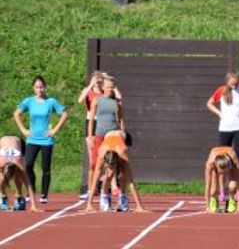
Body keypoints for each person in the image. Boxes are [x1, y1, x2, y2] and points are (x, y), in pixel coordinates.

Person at [13, 75, 69, 203]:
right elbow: (17, 113)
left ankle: (44, 194)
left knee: (45, 167)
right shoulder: (29, 101)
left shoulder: (51, 101)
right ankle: (31, 191)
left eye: (42, 87)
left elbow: (64, 114)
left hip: (46, 140)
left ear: (45, 87)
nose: (39, 89)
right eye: (37, 87)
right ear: (34, 88)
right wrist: (23, 130)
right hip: (32, 139)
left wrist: (54, 130)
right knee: (28, 165)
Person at [77, 71, 122, 200]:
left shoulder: (105, 91)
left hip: (105, 123)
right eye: (96, 78)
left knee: (110, 156)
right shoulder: (89, 90)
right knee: (94, 158)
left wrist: (108, 78)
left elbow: (118, 97)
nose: (98, 80)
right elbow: (80, 100)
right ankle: (92, 188)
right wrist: (91, 85)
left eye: (100, 78)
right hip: (92, 123)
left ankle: (112, 186)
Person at [85, 130, 144, 212]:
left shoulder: (123, 151)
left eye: (113, 166)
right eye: (110, 166)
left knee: (124, 173)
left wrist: (139, 206)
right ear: (105, 162)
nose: (113, 169)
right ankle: (105, 196)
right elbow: (95, 179)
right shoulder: (102, 152)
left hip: (123, 137)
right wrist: (89, 204)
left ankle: (123, 197)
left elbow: (130, 181)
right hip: (108, 137)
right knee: (109, 175)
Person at [0, 136, 39, 211]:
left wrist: (34, 205)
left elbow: (29, 185)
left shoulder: (20, 165)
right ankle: (3, 197)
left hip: (19, 142)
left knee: (19, 176)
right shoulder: (1, 163)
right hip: (2, 141)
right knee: (1, 179)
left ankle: (19, 196)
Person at [204, 146, 239, 213]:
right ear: (216, 167)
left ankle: (232, 199)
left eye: (225, 172)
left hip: (230, 161)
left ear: (229, 167)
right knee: (213, 190)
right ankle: (214, 199)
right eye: (221, 172)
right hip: (215, 161)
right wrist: (207, 207)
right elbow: (207, 185)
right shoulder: (210, 164)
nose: (223, 174)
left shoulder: (235, 162)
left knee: (233, 186)